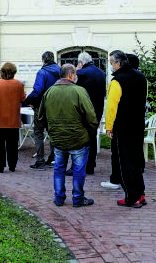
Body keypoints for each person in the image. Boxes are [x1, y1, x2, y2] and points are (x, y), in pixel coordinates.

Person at [38, 63, 98, 207]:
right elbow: (91, 117)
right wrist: (91, 133)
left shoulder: (49, 92)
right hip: (78, 138)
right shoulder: (79, 91)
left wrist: (51, 130)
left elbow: (41, 117)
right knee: (78, 170)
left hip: (58, 139)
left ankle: (59, 198)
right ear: (71, 75)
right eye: (75, 74)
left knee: (59, 169)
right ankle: (77, 199)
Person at [105, 50, 148, 208]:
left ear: (118, 63)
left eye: (111, 63)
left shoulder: (117, 81)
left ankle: (132, 197)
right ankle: (140, 193)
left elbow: (111, 107)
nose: (111, 66)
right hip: (138, 125)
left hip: (123, 126)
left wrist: (109, 126)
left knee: (125, 162)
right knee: (137, 161)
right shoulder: (141, 77)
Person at [26, 51, 60, 170]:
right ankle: (53, 158)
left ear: (43, 60)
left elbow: (38, 90)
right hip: (56, 108)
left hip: (42, 107)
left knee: (39, 133)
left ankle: (40, 160)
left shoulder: (42, 72)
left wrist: (27, 100)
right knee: (53, 133)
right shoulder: (60, 72)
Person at [0, 62, 25, 173]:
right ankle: (12, 165)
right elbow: (22, 99)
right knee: (13, 144)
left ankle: (0, 167)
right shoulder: (19, 84)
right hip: (13, 120)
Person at [74, 52, 105, 175]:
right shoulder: (101, 73)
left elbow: (75, 91)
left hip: (84, 111)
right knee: (92, 137)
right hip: (98, 110)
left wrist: (76, 70)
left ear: (81, 62)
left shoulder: (81, 73)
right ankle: (91, 165)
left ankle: (81, 165)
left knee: (81, 138)